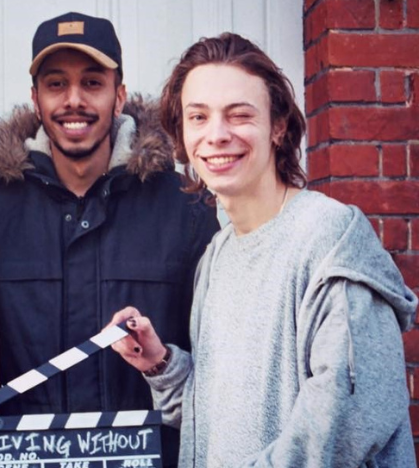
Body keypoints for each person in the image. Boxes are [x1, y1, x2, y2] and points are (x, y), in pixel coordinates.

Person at [108, 32, 418, 467]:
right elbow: (213, 419)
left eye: (239, 115)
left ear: (278, 126)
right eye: (198, 117)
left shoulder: (330, 237)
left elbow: (345, 426)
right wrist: (159, 363)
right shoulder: (217, 257)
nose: (216, 135)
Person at [0, 11, 219, 466]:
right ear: (35, 99)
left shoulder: (188, 211)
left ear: (119, 95)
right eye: (56, 84)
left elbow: (219, 366)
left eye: (93, 83)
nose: (74, 100)